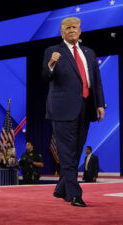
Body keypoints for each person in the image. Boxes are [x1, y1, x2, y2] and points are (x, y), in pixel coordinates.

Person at [42, 17, 105, 207]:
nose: (71, 30)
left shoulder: (89, 53)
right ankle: (74, 194)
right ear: (62, 32)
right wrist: (51, 64)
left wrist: (100, 104)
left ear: (80, 31)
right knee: (67, 153)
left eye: (74, 27)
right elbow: (46, 76)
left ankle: (61, 188)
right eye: (67, 28)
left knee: (76, 152)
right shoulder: (53, 51)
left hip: (85, 109)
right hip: (62, 109)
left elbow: (96, 80)